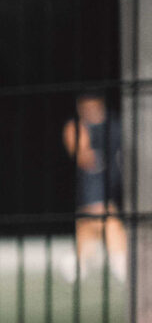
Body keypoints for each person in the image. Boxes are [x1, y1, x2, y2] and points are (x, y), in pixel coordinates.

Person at [62, 93, 127, 283]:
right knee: (110, 223)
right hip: (93, 188)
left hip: (110, 186)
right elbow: (83, 158)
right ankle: (121, 265)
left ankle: (74, 263)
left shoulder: (115, 127)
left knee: (88, 233)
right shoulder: (78, 128)